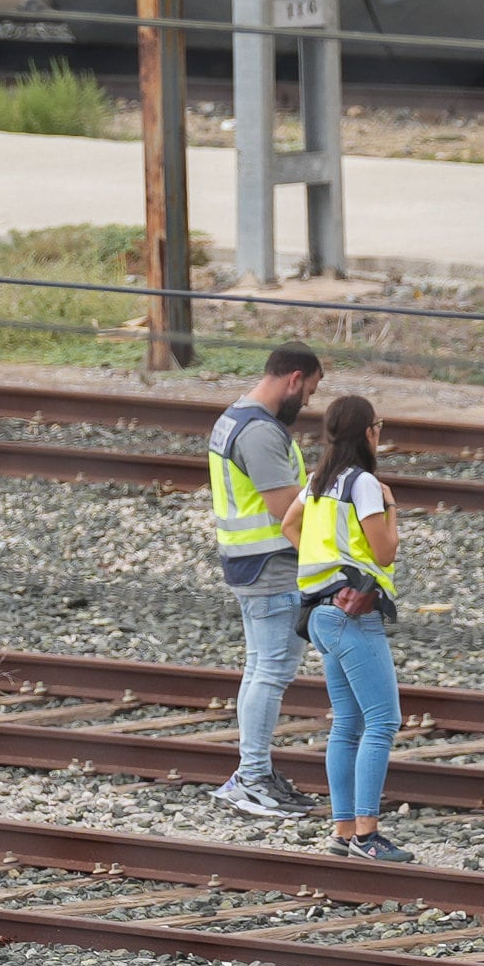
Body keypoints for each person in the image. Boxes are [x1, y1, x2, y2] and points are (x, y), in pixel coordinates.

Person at [281, 396, 413, 864]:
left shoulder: (318, 481)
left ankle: (342, 830)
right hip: (353, 616)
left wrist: (326, 568)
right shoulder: (366, 485)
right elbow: (384, 552)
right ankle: (366, 834)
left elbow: (289, 523)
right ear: (368, 433)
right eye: (379, 425)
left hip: (319, 614)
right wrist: (392, 506)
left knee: (349, 722)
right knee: (382, 721)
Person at [207, 342, 324, 818]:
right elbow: (286, 512)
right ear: (294, 379)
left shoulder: (232, 418)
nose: (309, 402)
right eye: (311, 390)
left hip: (248, 564)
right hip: (270, 568)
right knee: (271, 673)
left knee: (261, 669)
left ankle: (251, 773)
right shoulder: (258, 433)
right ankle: (252, 778)